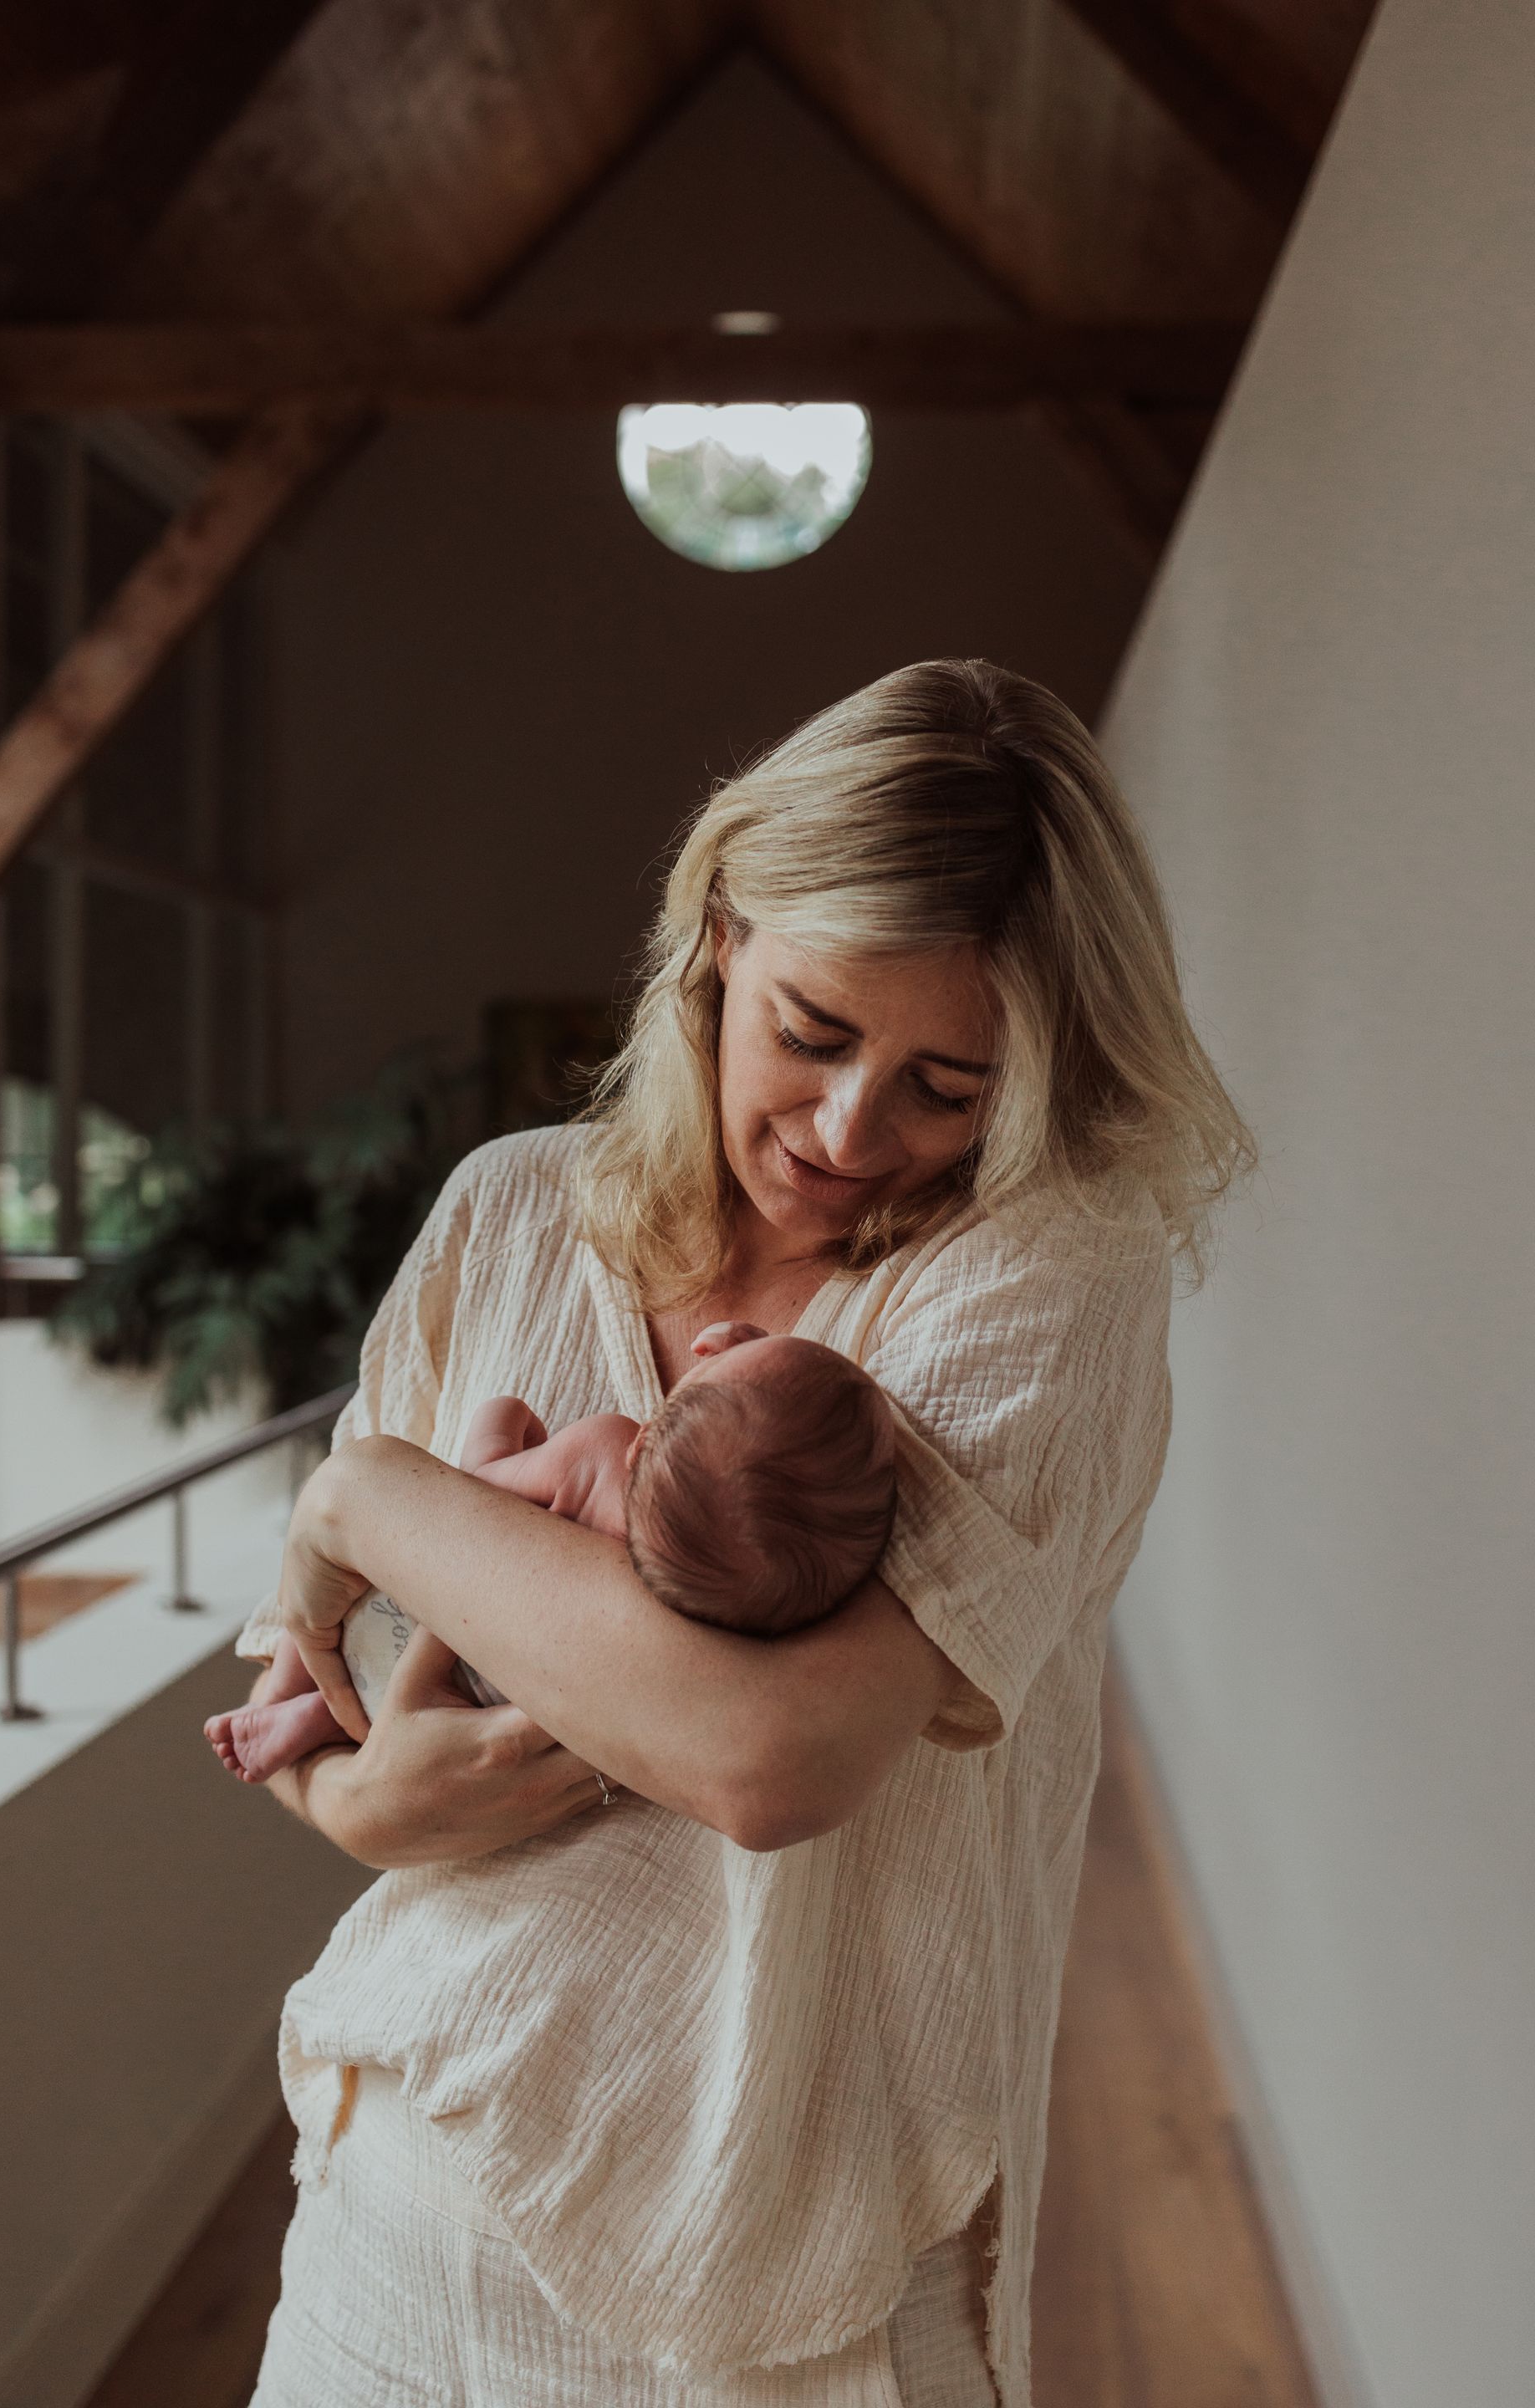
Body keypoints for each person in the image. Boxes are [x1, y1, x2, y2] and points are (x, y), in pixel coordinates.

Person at [234, 659, 1253, 2408]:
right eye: (817, 1033)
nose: (856, 1134)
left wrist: (368, 1493)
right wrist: (361, 1806)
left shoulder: (1037, 1276)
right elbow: (310, 1679)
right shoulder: (506, 1215)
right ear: (720, 936)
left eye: (953, 1083)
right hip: (395, 2187)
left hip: (792, 2288)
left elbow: (767, 1753)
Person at [205, 1323, 895, 1782]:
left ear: (643, 1440)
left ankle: (292, 1691)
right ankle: (314, 1719)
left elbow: (469, 1504)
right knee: (399, 1682)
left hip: (407, 1611)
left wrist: (501, 1422)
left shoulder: (600, 1452)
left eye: (746, 1350)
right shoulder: (721, 1612)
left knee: (339, 1587)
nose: (729, 1338)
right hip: (498, 1705)